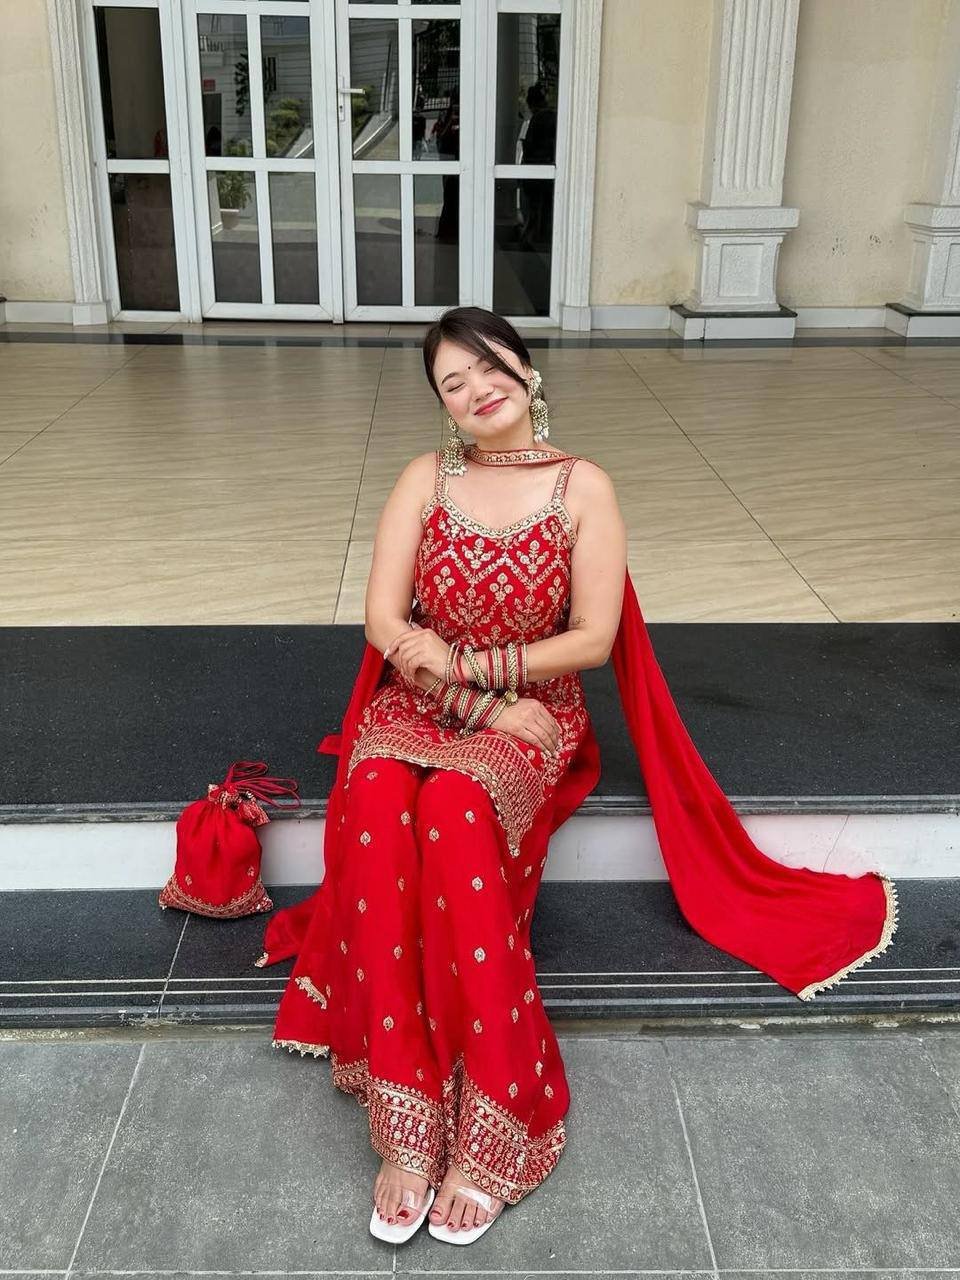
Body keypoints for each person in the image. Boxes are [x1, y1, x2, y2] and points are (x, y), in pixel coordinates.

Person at [255, 306, 899, 1246]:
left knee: (456, 806)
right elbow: (384, 623)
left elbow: (592, 640)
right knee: (382, 799)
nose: (477, 389)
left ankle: (502, 1100)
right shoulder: (424, 478)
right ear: (442, 405)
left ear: (525, 367)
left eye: (489, 365)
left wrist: (477, 674)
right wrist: (467, 693)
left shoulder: (583, 487)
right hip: (423, 703)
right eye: (453, 383)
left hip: (536, 710)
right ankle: (404, 1108)